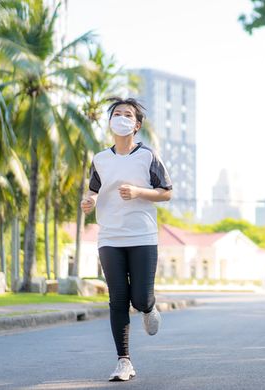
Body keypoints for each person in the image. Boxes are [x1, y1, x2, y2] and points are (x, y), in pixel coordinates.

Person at [81, 97, 173, 381]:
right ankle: (124, 361)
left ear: (136, 124)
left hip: (142, 235)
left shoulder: (147, 156)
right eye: (116, 113)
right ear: (110, 122)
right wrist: (90, 200)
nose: (121, 117)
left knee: (140, 297)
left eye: (127, 114)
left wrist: (138, 192)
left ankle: (148, 306)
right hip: (109, 235)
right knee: (118, 298)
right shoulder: (100, 159)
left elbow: (166, 192)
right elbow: (96, 188)